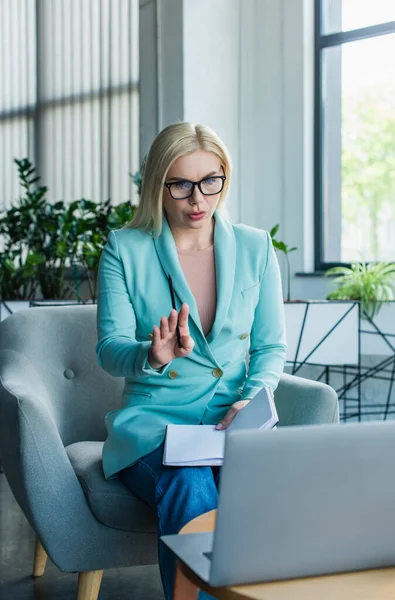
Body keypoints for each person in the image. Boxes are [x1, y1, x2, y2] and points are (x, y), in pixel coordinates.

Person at [96, 121, 287, 600]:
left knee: (273, 485)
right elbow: (109, 349)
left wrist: (251, 399)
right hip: (153, 426)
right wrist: (151, 355)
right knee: (189, 480)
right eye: (181, 184)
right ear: (158, 185)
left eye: (211, 181)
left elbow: (269, 348)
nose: (198, 199)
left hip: (231, 425)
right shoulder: (125, 248)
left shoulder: (255, 246)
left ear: (225, 177)